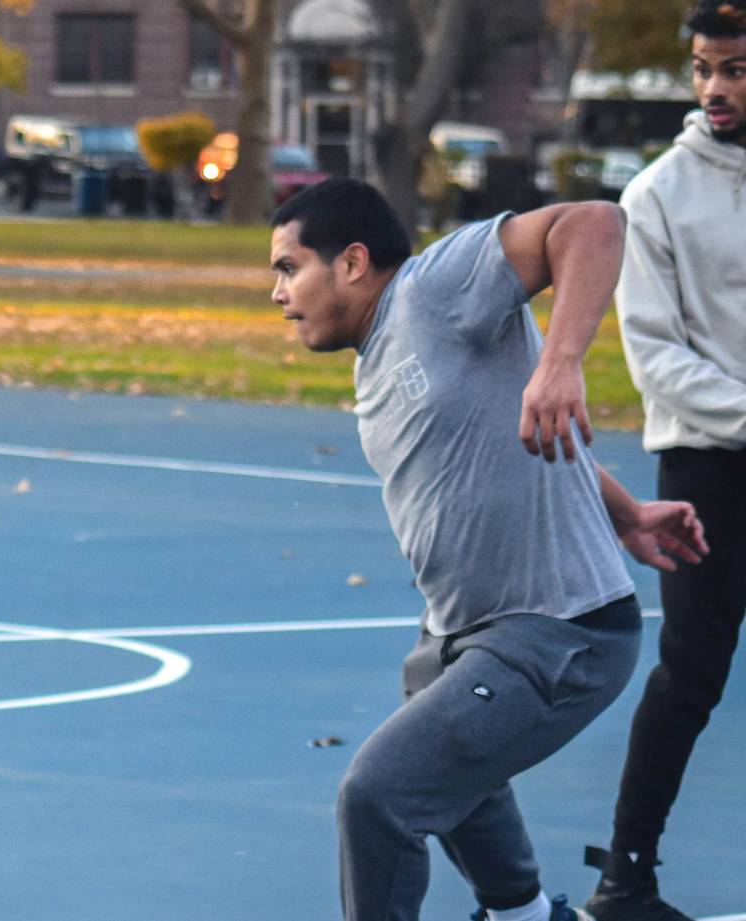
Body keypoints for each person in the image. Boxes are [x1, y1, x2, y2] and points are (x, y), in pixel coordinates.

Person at [266, 179, 708, 921]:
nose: (277, 293)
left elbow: (594, 222)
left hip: (559, 632)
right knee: (442, 733)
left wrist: (561, 361)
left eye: (288, 267)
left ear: (351, 262)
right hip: (462, 635)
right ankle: (526, 915)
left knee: (378, 797)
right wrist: (625, 513)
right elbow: (504, 432)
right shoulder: (379, 359)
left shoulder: (432, 289)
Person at [584, 3, 746, 917]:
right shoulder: (655, 196)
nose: (715, 87)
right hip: (707, 466)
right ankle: (626, 875)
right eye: (703, 68)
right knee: (692, 671)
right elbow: (656, 358)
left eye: (735, 70)